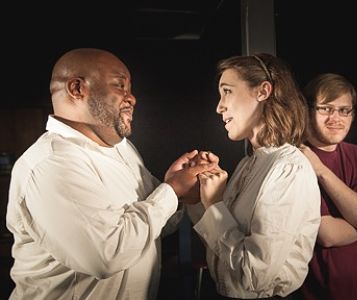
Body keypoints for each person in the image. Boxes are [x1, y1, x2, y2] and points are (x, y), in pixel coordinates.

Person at [6, 48, 216, 300]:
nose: (132, 98)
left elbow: (155, 226)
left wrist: (176, 193)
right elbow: (105, 256)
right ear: (77, 89)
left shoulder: (122, 150)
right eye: (120, 86)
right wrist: (170, 191)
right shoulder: (51, 164)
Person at [187, 53, 321, 299]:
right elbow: (220, 250)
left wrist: (215, 204)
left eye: (227, 91)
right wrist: (199, 195)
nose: (219, 106)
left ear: (263, 91)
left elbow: (253, 276)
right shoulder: (247, 164)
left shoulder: (289, 168)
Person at [297, 73, 357, 299]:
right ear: (307, 110)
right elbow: (327, 234)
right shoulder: (296, 159)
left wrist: (320, 170)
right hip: (319, 279)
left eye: (344, 110)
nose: (336, 118)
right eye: (326, 109)